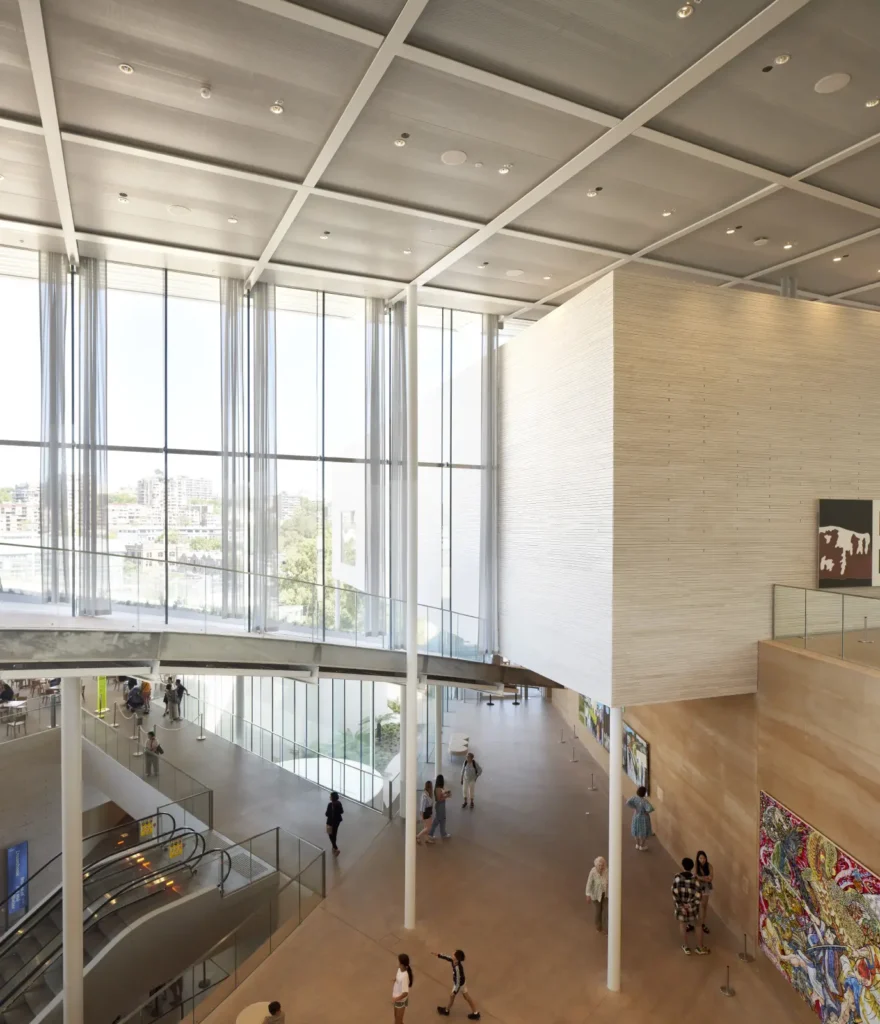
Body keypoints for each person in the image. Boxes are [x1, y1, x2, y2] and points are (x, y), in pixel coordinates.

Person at [672, 857, 709, 955]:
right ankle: (700, 947)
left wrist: (682, 906)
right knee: (698, 925)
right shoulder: (695, 880)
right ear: (692, 867)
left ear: (683, 866)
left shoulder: (677, 878)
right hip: (693, 908)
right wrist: (689, 905)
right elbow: (698, 895)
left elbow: (674, 893)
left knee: (682, 925)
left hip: (681, 908)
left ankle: (686, 947)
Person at [434, 949, 480, 1019]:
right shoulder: (454, 961)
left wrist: (455, 991)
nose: (452, 953)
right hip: (462, 983)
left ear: (456, 958)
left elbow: (458, 982)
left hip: (459, 985)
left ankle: (446, 1010)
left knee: (452, 996)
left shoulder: (457, 968)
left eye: (453, 954)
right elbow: (447, 957)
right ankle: (475, 1013)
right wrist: (439, 955)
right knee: (467, 997)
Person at [626, 786, 654, 851]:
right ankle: (642, 845)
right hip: (643, 818)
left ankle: (637, 844)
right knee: (643, 832)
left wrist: (634, 807)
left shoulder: (634, 798)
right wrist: (646, 812)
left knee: (636, 830)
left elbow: (628, 802)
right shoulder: (644, 801)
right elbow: (650, 808)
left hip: (636, 815)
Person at [585, 856, 609, 933]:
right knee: (598, 911)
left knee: (606, 911)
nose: (601, 867)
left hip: (605, 895)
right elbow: (589, 883)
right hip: (596, 895)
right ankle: (598, 926)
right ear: (596, 865)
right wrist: (588, 894)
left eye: (602, 865)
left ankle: (606, 928)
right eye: (599, 865)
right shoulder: (593, 872)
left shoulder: (607, 871)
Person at [695, 850, 714, 936]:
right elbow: (695, 877)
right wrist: (704, 878)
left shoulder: (709, 866)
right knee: (695, 904)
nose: (702, 860)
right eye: (700, 858)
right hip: (698, 887)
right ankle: (693, 922)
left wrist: (700, 878)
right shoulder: (696, 866)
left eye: (704, 858)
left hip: (706, 888)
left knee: (704, 906)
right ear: (698, 859)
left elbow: (710, 878)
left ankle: (702, 923)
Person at [429, 774, 451, 840]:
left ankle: (443, 833)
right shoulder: (438, 789)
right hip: (440, 805)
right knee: (438, 819)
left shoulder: (439, 788)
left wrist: (446, 793)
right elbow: (439, 799)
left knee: (443, 819)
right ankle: (430, 833)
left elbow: (441, 795)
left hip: (441, 805)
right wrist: (447, 796)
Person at [392, 953, 413, 1023]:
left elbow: (405, 993)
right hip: (396, 999)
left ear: (402, 964)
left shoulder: (405, 977)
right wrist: (396, 979)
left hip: (400, 1001)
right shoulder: (399, 969)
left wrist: (396, 999)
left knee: (398, 1021)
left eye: (398, 961)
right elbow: (398, 976)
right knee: (396, 1019)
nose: (397, 962)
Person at [325, 791, 343, 856]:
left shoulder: (330, 805)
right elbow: (342, 811)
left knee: (330, 834)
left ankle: (335, 847)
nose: (329, 797)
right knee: (334, 834)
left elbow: (326, 814)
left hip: (330, 822)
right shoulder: (339, 803)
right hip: (337, 822)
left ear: (332, 798)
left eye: (330, 796)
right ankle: (334, 847)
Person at [417, 780, 434, 844]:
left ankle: (427, 839)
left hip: (426, 812)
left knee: (425, 827)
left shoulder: (426, 794)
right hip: (426, 813)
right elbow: (422, 806)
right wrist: (422, 815)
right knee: (428, 827)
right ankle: (417, 836)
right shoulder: (425, 796)